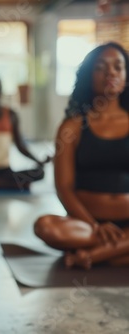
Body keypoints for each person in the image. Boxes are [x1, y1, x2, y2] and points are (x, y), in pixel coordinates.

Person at [34, 42, 129, 269]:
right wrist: (94, 226)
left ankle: (91, 256)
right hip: (86, 226)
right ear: (89, 75)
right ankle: (118, 253)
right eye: (101, 67)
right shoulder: (72, 127)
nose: (111, 73)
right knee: (45, 226)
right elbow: (64, 187)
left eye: (118, 67)